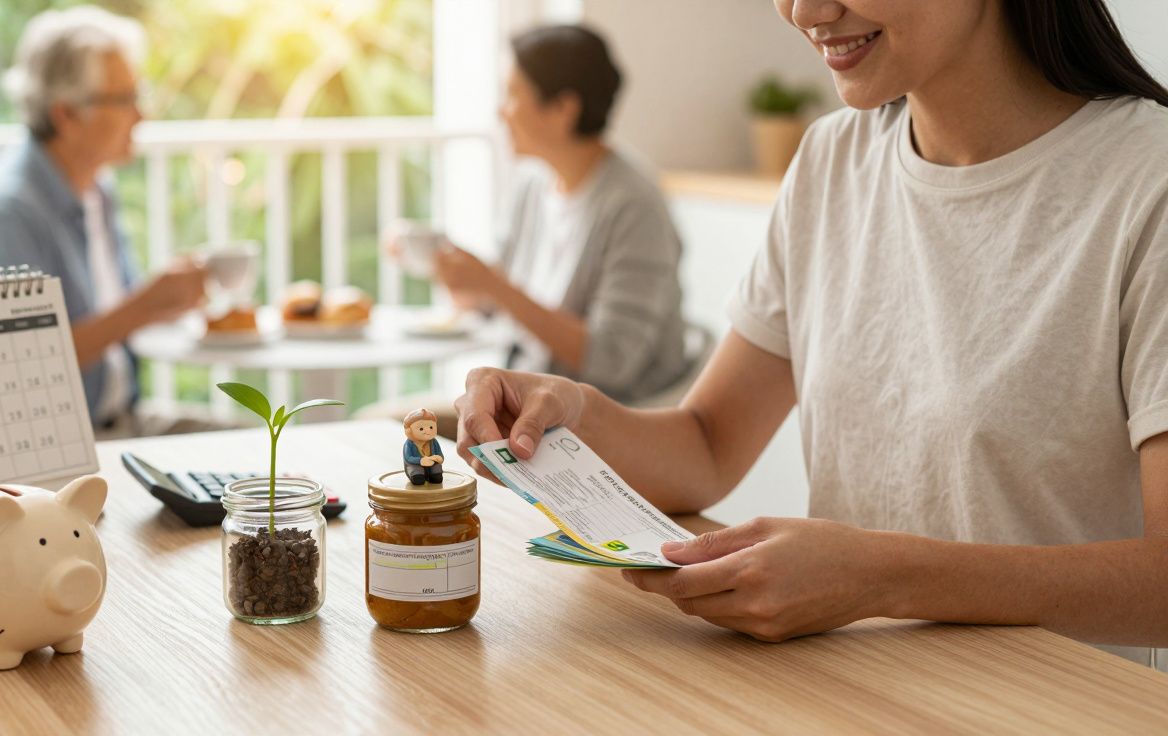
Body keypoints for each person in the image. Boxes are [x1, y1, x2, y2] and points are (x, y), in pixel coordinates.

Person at [456, 0, 1168, 665]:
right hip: (847, 689)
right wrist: (571, 414)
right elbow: (707, 445)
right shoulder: (833, 158)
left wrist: (883, 579)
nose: (804, 11)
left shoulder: (1146, 182)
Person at [366, 25, 691, 439]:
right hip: (526, 408)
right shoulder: (534, 185)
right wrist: (447, 269)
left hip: (598, 425)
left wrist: (494, 286)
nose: (502, 111)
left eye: (513, 94)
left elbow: (611, 361)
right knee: (379, 427)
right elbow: (492, 301)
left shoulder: (634, 205)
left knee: (393, 433)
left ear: (563, 109)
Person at [0, 6, 206, 432]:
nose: (141, 115)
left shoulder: (97, 189)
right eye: (124, 100)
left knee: (269, 456)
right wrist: (142, 308)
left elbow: (109, 319)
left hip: (123, 419)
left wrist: (169, 300)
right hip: (56, 450)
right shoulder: (6, 215)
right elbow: (9, 369)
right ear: (65, 114)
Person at [403, 408, 445, 485]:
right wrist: (420, 461)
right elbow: (408, 457)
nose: (428, 431)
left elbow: (439, 453)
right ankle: (417, 476)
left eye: (431, 427)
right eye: (421, 429)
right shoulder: (409, 444)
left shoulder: (434, 442)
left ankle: (433, 475)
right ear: (409, 431)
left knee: (437, 476)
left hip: (432, 463)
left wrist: (439, 458)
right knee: (418, 477)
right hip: (416, 465)